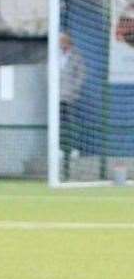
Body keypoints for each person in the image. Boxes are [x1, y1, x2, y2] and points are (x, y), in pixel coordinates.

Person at [59, 32, 85, 176]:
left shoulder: (76, 57)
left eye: (63, 41)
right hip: (57, 97)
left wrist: (73, 90)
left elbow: (80, 76)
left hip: (70, 97)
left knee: (71, 123)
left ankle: (73, 149)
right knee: (59, 124)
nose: (60, 44)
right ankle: (59, 149)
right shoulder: (56, 56)